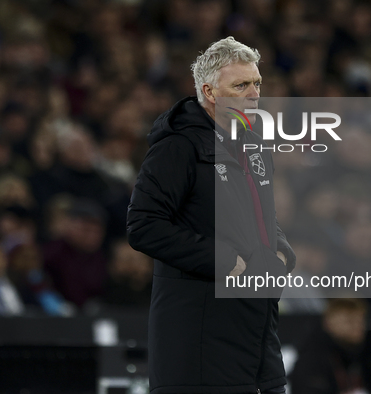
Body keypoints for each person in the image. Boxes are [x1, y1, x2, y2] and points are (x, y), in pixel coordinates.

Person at [127, 37, 296, 394]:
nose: (253, 94)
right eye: (241, 85)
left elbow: (262, 216)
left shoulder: (253, 144)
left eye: (257, 84)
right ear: (209, 91)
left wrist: (281, 251)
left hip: (258, 334)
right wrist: (220, 259)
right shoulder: (178, 146)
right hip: (199, 344)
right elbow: (143, 225)